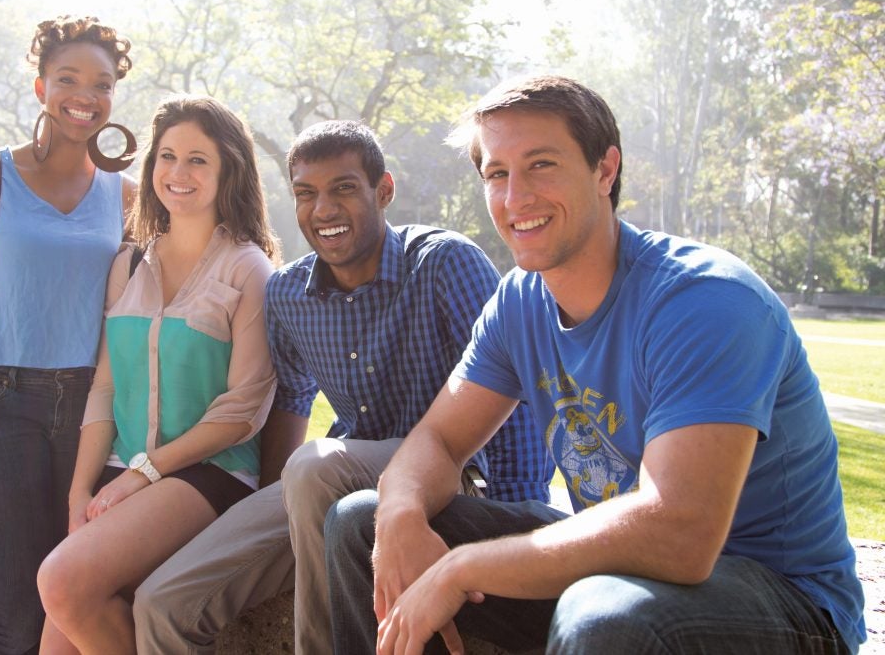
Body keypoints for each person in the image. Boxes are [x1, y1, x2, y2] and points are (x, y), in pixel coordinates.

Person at [325, 75, 866, 655]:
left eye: (542, 165)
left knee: (602, 611)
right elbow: (437, 438)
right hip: (616, 576)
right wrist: (401, 512)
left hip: (783, 602)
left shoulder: (704, 300)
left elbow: (680, 534)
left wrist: (461, 569)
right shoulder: (519, 301)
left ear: (605, 171)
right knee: (362, 522)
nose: (515, 199)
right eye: (498, 174)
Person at [134, 120, 554, 654]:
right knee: (163, 603)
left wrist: (513, 527)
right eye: (306, 194)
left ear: (384, 191)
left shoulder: (444, 262)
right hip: (334, 485)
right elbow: (290, 401)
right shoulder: (288, 294)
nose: (323, 210)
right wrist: (272, 507)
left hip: (450, 475)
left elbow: (515, 395)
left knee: (317, 466)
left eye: (344, 189)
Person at [0, 15, 137, 654]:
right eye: (68, 78)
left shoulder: (125, 197)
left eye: (101, 83)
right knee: (16, 621)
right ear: (41, 88)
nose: (84, 95)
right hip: (0, 411)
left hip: (93, 417)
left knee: (68, 611)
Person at [35, 94, 280, 654]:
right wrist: (80, 491)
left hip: (207, 472)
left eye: (198, 159)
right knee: (61, 632)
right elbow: (104, 389)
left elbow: (241, 412)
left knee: (62, 580)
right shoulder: (128, 264)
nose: (178, 172)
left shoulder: (249, 269)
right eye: (167, 156)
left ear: (228, 171)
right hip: (122, 473)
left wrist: (144, 473)